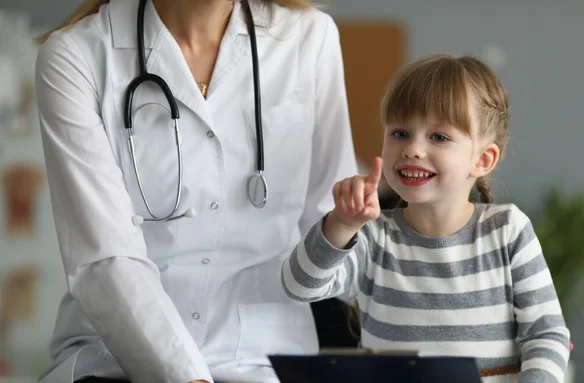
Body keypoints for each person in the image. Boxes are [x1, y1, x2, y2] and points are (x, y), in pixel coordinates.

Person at [34, 0, 358, 381]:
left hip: (263, 359)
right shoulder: (77, 55)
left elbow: (333, 226)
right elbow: (106, 258)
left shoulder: (308, 38)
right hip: (116, 363)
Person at [281, 54, 572, 382]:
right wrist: (342, 224)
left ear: (483, 159)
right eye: (400, 133)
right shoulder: (374, 238)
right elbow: (299, 286)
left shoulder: (507, 230)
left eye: (439, 137)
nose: (413, 149)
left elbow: (546, 335)